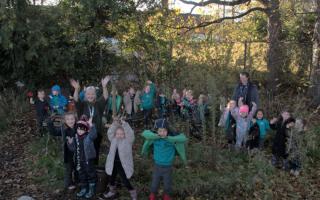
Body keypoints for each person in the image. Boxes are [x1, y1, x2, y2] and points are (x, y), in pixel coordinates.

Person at [141, 119, 187, 200]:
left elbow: (183, 138)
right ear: (157, 131)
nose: (162, 133)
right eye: (160, 131)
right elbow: (144, 133)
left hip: (168, 166)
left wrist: (169, 138)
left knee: (167, 183)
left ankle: (166, 195)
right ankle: (152, 194)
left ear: (167, 131)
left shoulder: (172, 140)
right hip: (157, 166)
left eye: (164, 131)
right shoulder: (155, 139)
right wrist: (156, 136)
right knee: (154, 183)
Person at [70, 76, 110, 165]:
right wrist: (76, 89)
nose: (90, 96)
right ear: (85, 95)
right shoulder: (82, 105)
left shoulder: (98, 104)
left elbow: (105, 97)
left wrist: (104, 87)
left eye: (92, 94)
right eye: (88, 94)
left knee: (95, 151)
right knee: (84, 152)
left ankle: (94, 169)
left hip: (97, 133)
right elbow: (76, 99)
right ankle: (84, 168)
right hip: (84, 133)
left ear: (95, 95)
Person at [103, 118, 137, 199]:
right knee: (111, 178)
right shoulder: (113, 139)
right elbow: (110, 132)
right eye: (117, 134)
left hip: (123, 164)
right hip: (113, 163)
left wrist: (124, 124)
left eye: (122, 134)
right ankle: (112, 191)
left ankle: (132, 191)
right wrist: (115, 123)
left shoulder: (128, 141)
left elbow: (130, 133)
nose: (119, 135)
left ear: (125, 134)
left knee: (125, 180)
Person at [67, 115, 97, 199]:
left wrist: (91, 126)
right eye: (78, 129)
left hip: (88, 160)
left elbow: (94, 134)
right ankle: (84, 188)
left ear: (86, 130)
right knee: (82, 174)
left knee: (90, 174)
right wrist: (70, 143)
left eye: (82, 129)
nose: (80, 131)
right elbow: (73, 149)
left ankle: (91, 189)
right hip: (79, 160)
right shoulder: (76, 137)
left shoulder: (89, 137)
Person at [62, 112, 78, 190]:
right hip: (67, 154)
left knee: (77, 167)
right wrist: (50, 123)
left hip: (77, 153)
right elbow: (54, 132)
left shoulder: (77, 128)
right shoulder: (65, 130)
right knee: (69, 169)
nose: (70, 121)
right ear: (65, 121)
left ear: (75, 119)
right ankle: (67, 184)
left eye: (72, 119)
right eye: (68, 119)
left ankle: (77, 180)